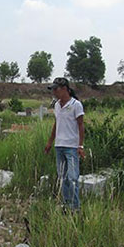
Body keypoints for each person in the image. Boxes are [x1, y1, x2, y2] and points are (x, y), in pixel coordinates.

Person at [44, 77, 85, 212]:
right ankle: (66, 204)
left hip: (72, 147)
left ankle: (75, 207)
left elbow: (80, 125)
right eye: (53, 90)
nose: (54, 92)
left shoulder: (75, 105)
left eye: (56, 89)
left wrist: (80, 146)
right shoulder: (57, 105)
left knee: (72, 178)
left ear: (65, 89)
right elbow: (57, 124)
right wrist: (50, 142)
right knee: (62, 177)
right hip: (59, 145)